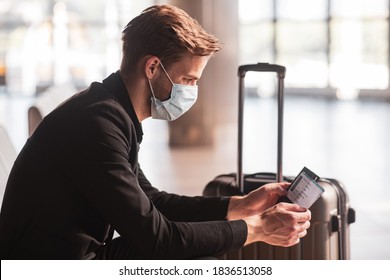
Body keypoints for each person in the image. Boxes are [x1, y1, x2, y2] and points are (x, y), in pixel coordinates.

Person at [0, 4, 311, 260]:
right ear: (152, 68)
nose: (192, 91)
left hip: (69, 253)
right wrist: (256, 229)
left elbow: (152, 201)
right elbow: (159, 240)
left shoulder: (109, 111)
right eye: (188, 80)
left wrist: (241, 205)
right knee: (196, 252)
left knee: (204, 245)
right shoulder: (97, 125)